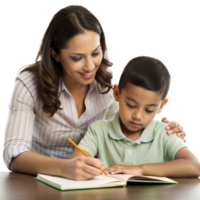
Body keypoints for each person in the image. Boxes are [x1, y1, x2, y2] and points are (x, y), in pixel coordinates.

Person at [2, 3, 185, 180]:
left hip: (91, 183)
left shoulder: (107, 87)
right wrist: (64, 167)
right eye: (77, 57)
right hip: (38, 182)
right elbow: (14, 154)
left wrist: (162, 128)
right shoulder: (28, 85)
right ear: (55, 54)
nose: (90, 66)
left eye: (95, 53)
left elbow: (125, 126)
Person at [70, 55, 200, 179]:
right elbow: (74, 164)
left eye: (149, 110)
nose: (137, 116)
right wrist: (87, 168)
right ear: (117, 93)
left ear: (162, 106)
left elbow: (196, 166)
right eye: (131, 105)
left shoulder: (164, 133)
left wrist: (140, 169)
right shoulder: (98, 130)